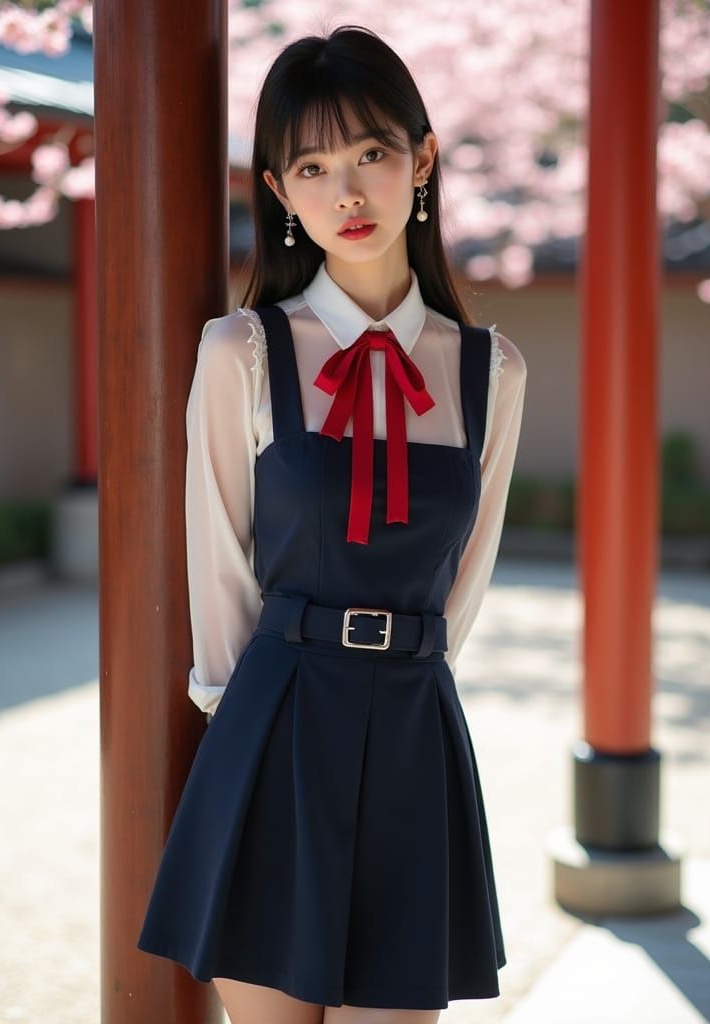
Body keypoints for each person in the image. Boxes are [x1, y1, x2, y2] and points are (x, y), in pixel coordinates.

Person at [137, 22, 527, 1024]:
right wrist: (247, 744)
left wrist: (401, 680)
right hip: (274, 728)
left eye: (371, 155)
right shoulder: (243, 353)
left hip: (411, 729)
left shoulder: (490, 372)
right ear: (277, 192)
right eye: (311, 166)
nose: (346, 194)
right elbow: (217, 566)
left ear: (422, 159)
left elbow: (464, 584)